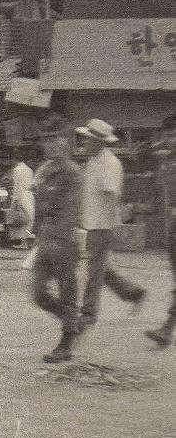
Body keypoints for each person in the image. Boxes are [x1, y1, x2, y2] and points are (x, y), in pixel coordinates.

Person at [76, 118, 145, 332]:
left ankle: (88, 315)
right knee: (100, 269)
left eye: (88, 139)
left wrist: (109, 224)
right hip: (92, 223)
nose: (84, 143)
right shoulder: (94, 161)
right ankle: (133, 293)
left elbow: (112, 195)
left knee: (94, 271)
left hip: (102, 225)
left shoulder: (109, 163)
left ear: (98, 142)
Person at [30, 124, 84, 363]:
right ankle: (74, 321)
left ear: (66, 143)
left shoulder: (73, 173)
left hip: (65, 241)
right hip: (44, 238)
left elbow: (71, 211)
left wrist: (58, 239)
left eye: (56, 140)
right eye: (46, 140)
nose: (50, 145)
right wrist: (36, 232)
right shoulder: (43, 170)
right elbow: (38, 203)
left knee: (67, 292)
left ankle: (66, 344)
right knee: (39, 294)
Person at [145, 113, 176, 348]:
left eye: (173, 135)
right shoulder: (166, 162)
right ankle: (167, 328)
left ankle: (167, 329)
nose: (168, 140)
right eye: (166, 135)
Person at [5, 148, 36, 249]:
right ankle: (28, 242)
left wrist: (14, 201)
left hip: (21, 196)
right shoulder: (29, 169)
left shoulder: (17, 170)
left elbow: (17, 187)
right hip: (30, 195)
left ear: (14, 159)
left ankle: (23, 242)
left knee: (23, 220)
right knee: (29, 219)